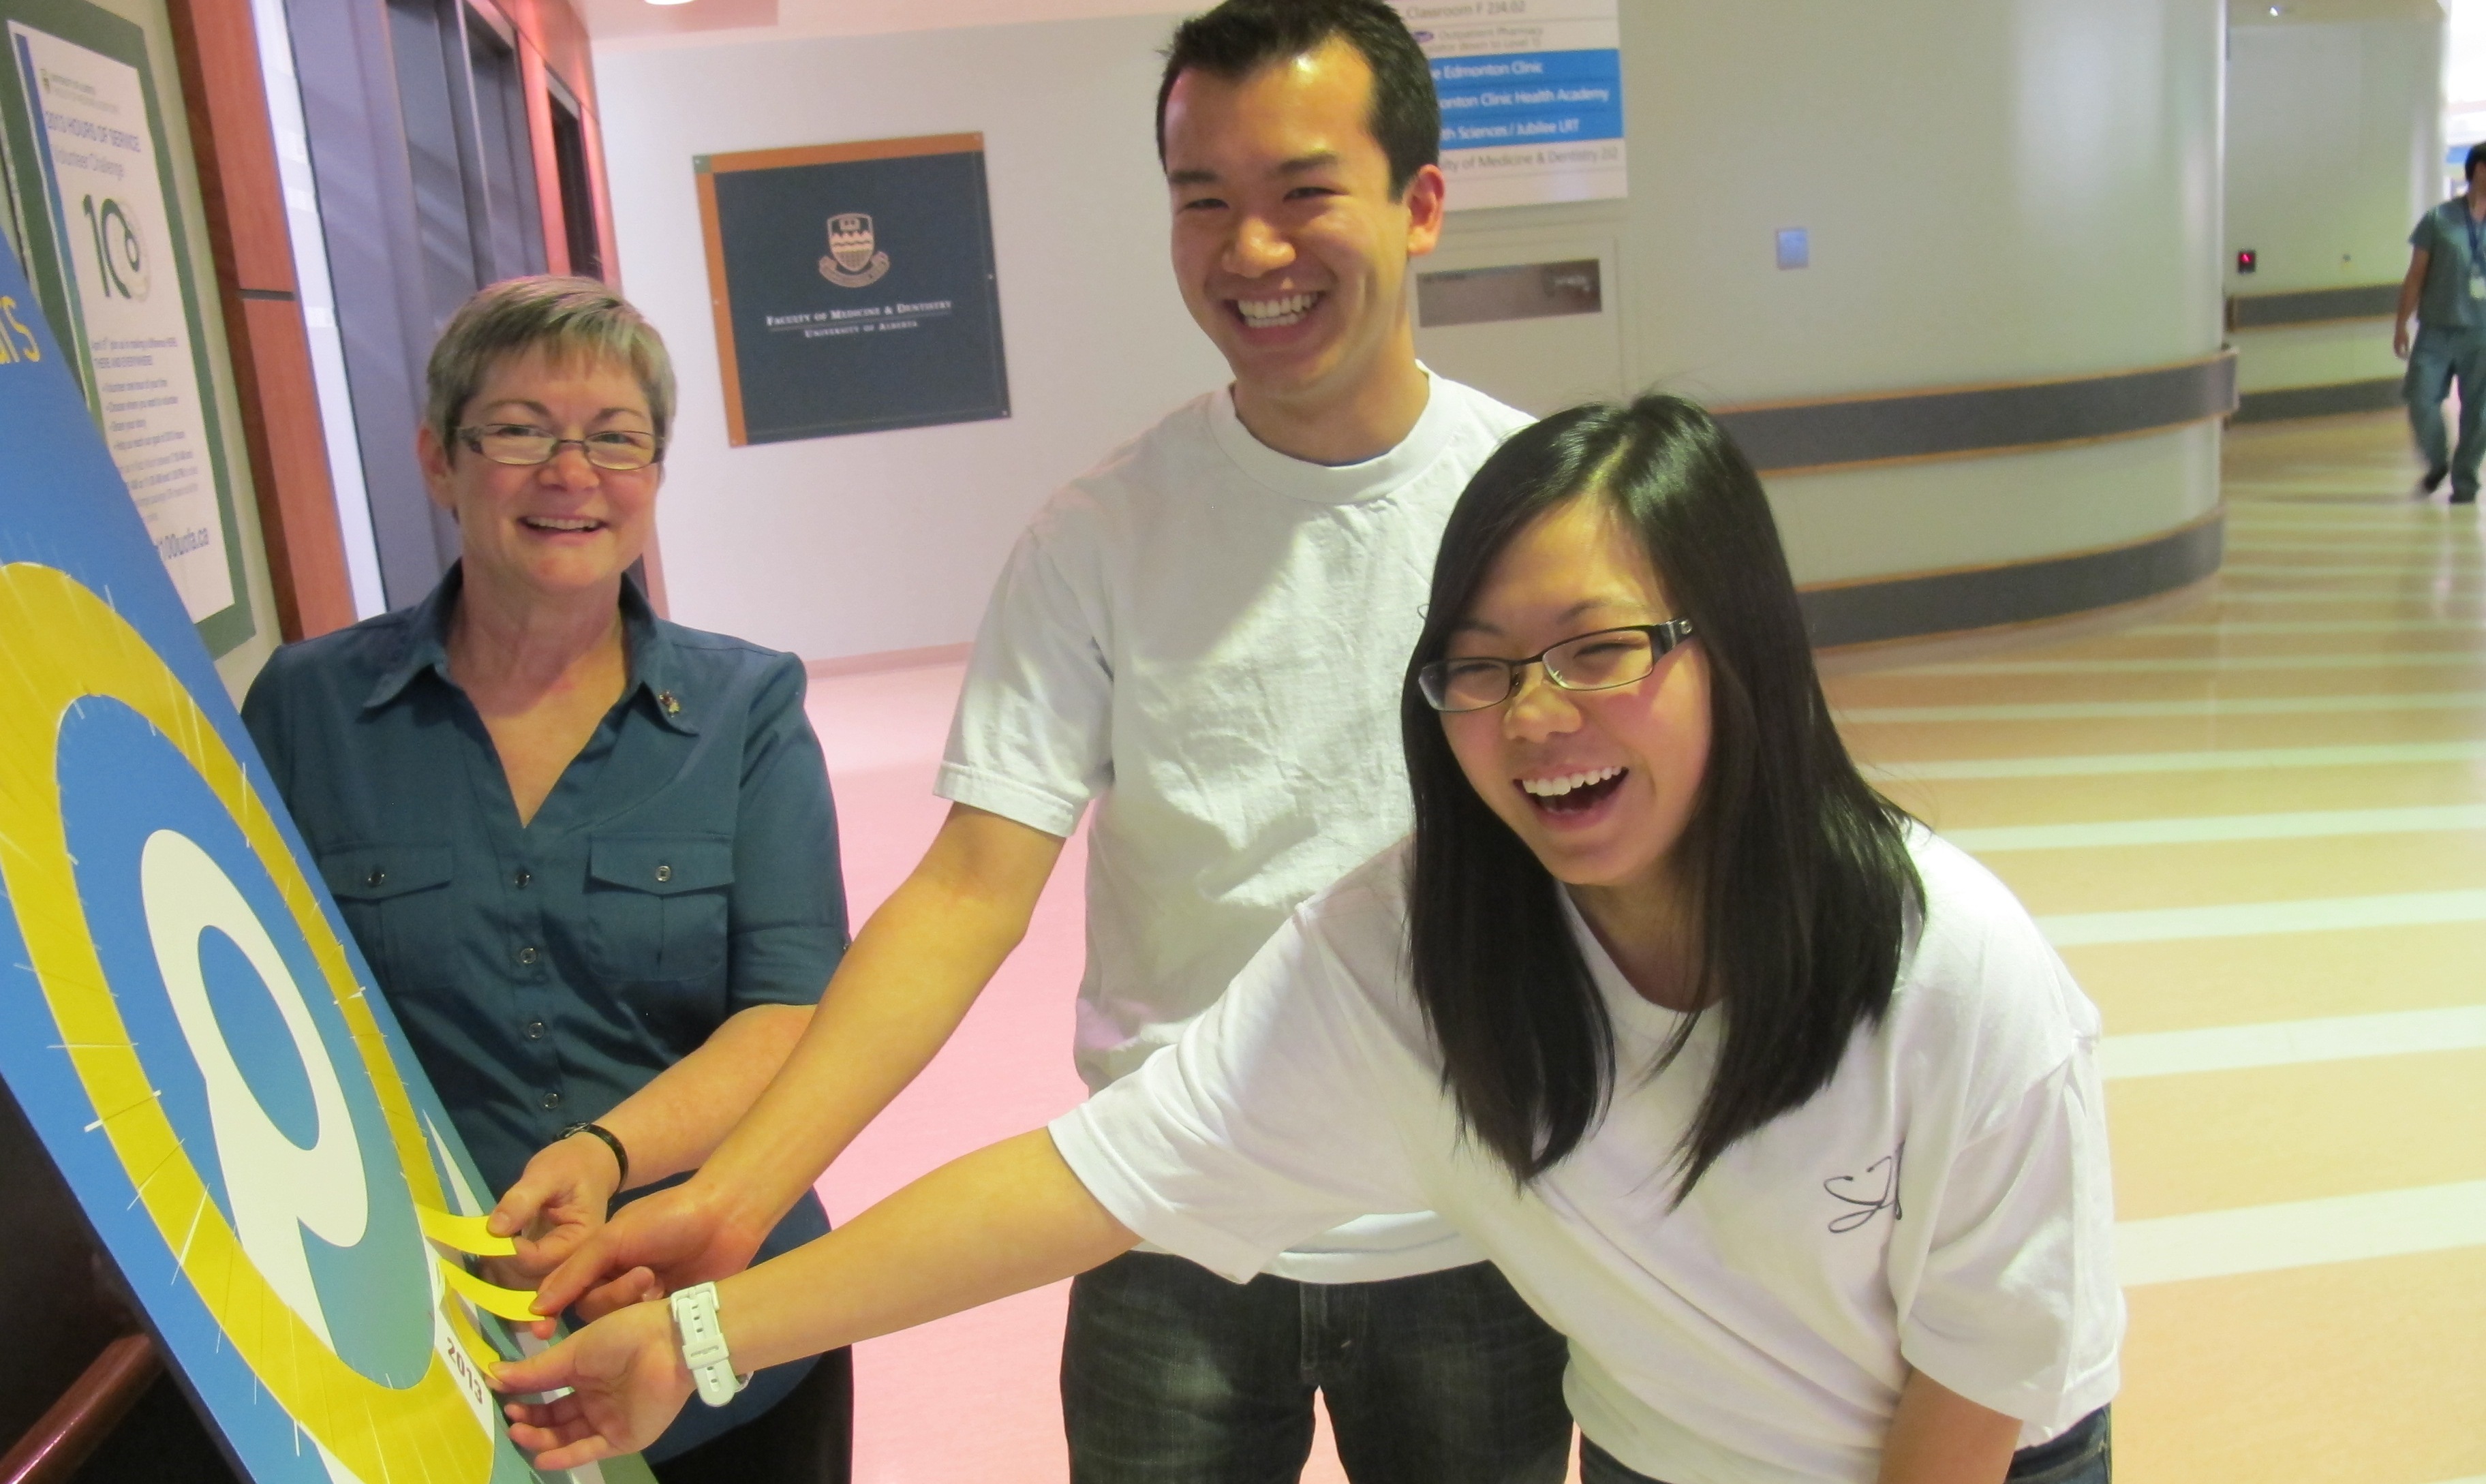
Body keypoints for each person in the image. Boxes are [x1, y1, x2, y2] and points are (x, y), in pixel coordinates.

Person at [494, 394, 2123, 1484]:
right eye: (1479, 667)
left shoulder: (1948, 972)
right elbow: (1082, 1182)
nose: (1536, 718)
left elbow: (1970, 1389)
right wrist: (700, 1336)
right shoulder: (1414, 946)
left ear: (1737, 648)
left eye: (1598, 650)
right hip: (1662, 1456)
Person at [521, 3, 1573, 1481]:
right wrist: (741, 1194)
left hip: (1478, 1231)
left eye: (1302, 193)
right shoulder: (1101, 538)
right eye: (1201, 201)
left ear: (1422, 205)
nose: (1250, 251)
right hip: (1157, 1219)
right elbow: (966, 891)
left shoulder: (1538, 514)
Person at [241, 277, 852, 1481]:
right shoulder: (306, 708)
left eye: (615, 437)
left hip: (709, 1321)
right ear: (438, 457)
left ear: (655, 471)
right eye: (520, 430)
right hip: (423, 1342)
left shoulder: (746, 707)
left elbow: (793, 1011)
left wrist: (613, 1158)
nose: (571, 473)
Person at [2392, 140, 2486, 504]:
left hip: (2482, 333)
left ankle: (2466, 483)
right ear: (2479, 170)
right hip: (2436, 329)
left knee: (2479, 413)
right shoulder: (2439, 219)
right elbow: (2416, 275)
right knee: (2421, 399)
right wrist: (2401, 323)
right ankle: (2437, 462)